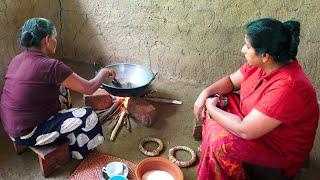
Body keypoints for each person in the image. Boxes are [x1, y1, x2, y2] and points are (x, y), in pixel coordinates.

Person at [194, 18, 319, 179]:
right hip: (254, 122)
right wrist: (205, 93)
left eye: (248, 46)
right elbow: (231, 82)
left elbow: (245, 130)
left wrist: (212, 108)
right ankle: (212, 151)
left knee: (220, 140)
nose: (243, 49)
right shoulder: (264, 63)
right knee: (217, 96)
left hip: (276, 151)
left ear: (265, 55)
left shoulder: (288, 87)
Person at [0, 17, 116, 160]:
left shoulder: (16, 59)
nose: (56, 40)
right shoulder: (52, 66)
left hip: (11, 128)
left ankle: (62, 122)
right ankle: (75, 151)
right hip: (29, 133)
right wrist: (103, 73)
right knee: (88, 115)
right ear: (47, 40)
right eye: (54, 37)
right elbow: (90, 88)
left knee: (62, 86)